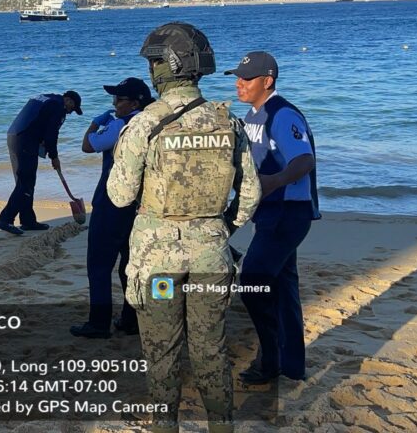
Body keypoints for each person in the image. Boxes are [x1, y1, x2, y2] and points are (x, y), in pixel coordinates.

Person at [107, 22, 261, 433]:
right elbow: (250, 195)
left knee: (163, 353)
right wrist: (219, 229)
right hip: (211, 256)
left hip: (159, 263)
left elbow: (120, 195)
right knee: (211, 349)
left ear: (165, 67)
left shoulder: (145, 124)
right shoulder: (228, 121)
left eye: (153, 63)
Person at [224, 50, 319, 384]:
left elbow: (304, 159)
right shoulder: (252, 116)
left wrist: (274, 182)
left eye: (246, 78)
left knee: (253, 282)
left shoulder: (282, 114)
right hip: (269, 212)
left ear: (267, 81)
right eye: (237, 77)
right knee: (283, 286)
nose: (239, 83)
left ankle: (269, 360)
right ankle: (291, 365)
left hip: (287, 211)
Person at [71, 77, 153, 339]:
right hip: (141, 205)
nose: (114, 103)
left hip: (111, 203)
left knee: (99, 265)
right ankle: (130, 319)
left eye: (119, 99)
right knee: (130, 265)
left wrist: (96, 124)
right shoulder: (152, 123)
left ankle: (99, 323)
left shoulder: (120, 125)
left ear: (134, 103)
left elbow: (87, 145)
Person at [0, 90, 82, 236]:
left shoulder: (47, 98)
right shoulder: (58, 107)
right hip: (25, 141)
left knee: (23, 182)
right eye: (72, 108)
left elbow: (38, 122)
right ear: (69, 100)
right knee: (26, 183)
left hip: (14, 136)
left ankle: (28, 220)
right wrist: (54, 157)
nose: (70, 112)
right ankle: (5, 219)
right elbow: (51, 135)